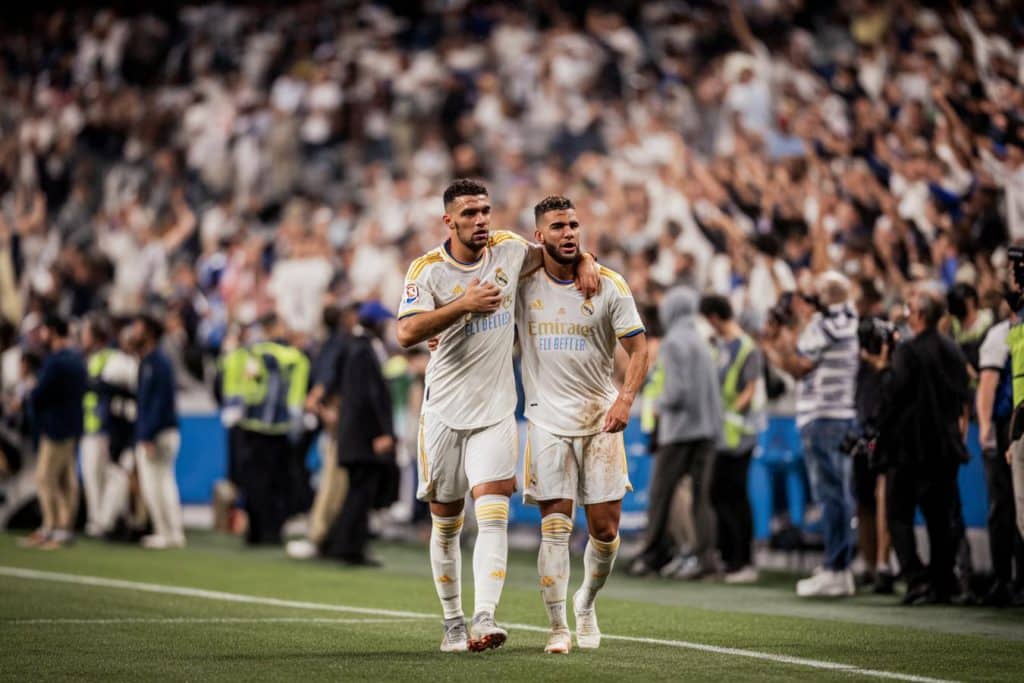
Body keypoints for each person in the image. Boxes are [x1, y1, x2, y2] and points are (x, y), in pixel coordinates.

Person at [394, 179, 598, 653]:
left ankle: (484, 616)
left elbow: (555, 251)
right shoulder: (426, 270)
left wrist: (585, 259)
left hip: (495, 411)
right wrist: (462, 305)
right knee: (446, 523)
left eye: (485, 211)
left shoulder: (507, 250)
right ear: (449, 221)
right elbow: (406, 332)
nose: (481, 220)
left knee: (493, 514)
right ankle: (452, 621)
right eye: (469, 214)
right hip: (443, 411)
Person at [517, 196, 648, 654]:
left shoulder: (608, 284)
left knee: (606, 531)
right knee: (554, 526)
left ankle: (586, 602)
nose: (569, 233)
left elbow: (639, 347)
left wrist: (626, 398)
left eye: (574, 225)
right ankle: (557, 627)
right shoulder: (522, 282)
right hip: (547, 420)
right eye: (557, 227)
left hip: (600, 417)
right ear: (539, 236)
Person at [872, 286, 971, 605]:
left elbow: (893, 397)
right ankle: (942, 581)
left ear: (919, 315)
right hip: (944, 446)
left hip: (910, 447)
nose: (905, 310)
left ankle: (916, 578)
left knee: (898, 513)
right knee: (941, 517)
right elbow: (961, 397)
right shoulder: (953, 350)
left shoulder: (907, 352)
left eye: (910, 306)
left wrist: (884, 368)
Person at [763, 272, 859, 597]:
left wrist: (773, 348)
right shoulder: (849, 318)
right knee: (838, 494)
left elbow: (798, 367)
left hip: (823, 417)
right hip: (840, 416)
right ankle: (840, 566)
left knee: (831, 495)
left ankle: (836, 567)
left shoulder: (825, 326)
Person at [629, 286, 722, 580]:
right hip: (706, 430)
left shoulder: (672, 343)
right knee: (701, 499)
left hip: (679, 431)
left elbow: (677, 392)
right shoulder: (699, 339)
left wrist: (657, 403)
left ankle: (652, 555)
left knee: (660, 495)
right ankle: (706, 558)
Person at [221, 313, 311, 545]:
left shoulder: (250, 354)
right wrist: (297, 424)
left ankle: (255, 531)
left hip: (251, 426)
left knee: (253, 482)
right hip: (280, 429)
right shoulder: (295, 358)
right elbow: (295, 397)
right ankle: (273, 531)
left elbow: (239, 386)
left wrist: (238, 411)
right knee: (279, 483)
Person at [321, 301, 397, 566]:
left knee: (356, 492)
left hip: (353, 433)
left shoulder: (351, 347)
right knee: (360, 494)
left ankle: (341, 544)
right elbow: (371, 395)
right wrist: (383, 432)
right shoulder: (365, 351)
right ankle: (349, 547)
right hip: (364, 436)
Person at [700, 294, 763, 584]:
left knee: (734, 496)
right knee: (719, 494)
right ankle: (728, 558)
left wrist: (730, 411)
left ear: (713, 317)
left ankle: (743, 561)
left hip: (740, 433)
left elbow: (750, 388)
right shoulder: (719, 346)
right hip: (722, 433)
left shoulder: (746, 348)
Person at [19, 315, 88, 549]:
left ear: (52, 332)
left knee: (46, 477)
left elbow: (40, 393)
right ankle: (63, 528)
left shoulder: (57, 361)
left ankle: (52, 528)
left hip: (56, 426)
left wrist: (28, 397)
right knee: (67, 480)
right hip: (72, 425)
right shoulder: (77, 358)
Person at [977, 296, 1024, 606]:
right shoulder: (1002, 334)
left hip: (1011, 422)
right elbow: (989, 385)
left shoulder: (1000, 334)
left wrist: (985, 427)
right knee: (1008, 507)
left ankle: (1008, 579)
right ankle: (1009, 579)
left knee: (1009, 507)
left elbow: (988, 385)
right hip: (1011, 422)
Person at [133, 313, 185, 549]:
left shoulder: (156, 363)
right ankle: (172, 532)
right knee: (164, 482)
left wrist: (147, 434)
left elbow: (158, 403)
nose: (134, 332)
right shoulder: (153, 361)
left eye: (138, 327)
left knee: (156, 483)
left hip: (159, 432)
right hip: (163, 430)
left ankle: (165, 532)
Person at [80, 314, 115, 537]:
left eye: (86, 333)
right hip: (88, 427)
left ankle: (102, 520)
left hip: (101, 429)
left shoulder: (109, 359)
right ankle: (96, 519)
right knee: (91, 476)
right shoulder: (90, 359)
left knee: (102, 476)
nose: (83, 337)